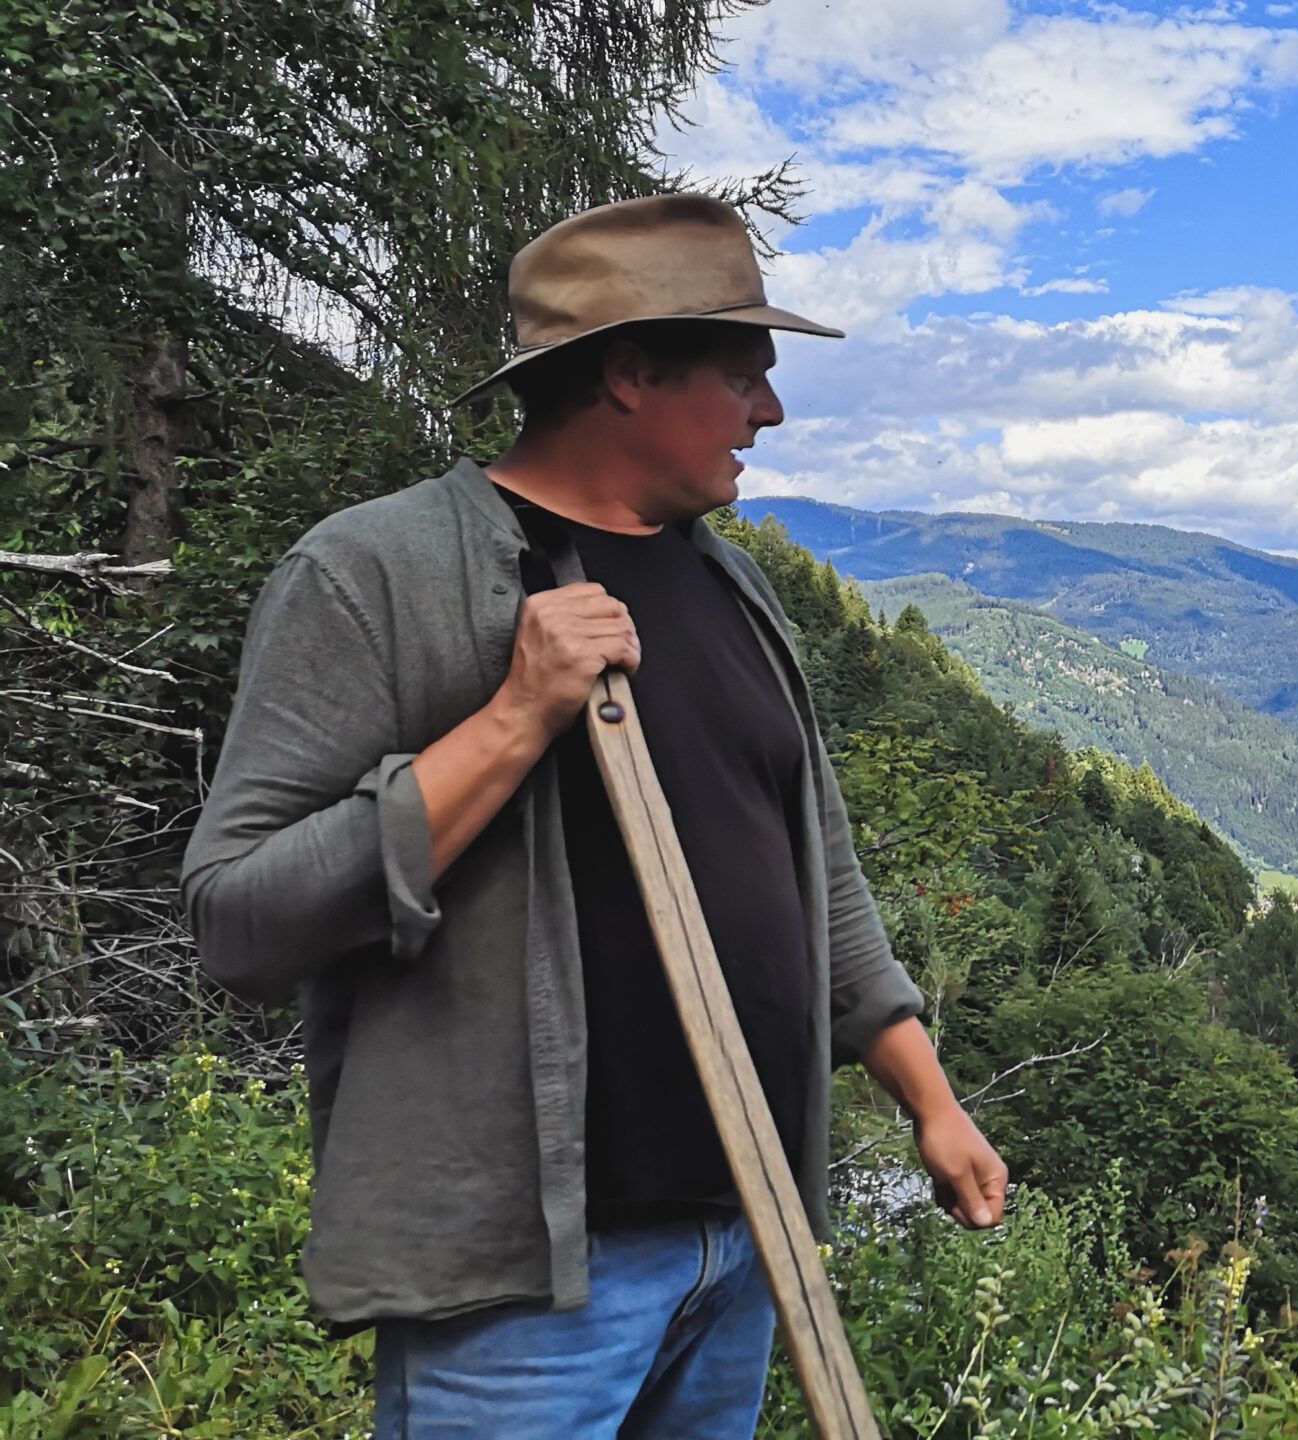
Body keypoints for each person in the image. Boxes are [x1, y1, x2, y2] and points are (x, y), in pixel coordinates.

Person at [181, 193, 1007, 1437]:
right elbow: (239, 919)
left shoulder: (730, 585)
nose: (768, 414)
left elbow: (816, 879)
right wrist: (515, 716)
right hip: (527, 1286)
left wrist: (930, 1103)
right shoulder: (377, 574)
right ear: (628, 372)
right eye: (744, 377)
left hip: (747, 1233)